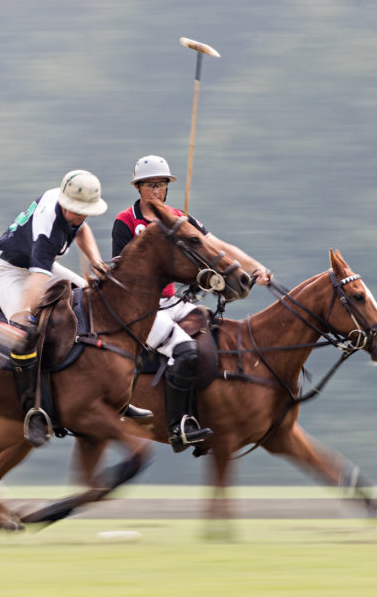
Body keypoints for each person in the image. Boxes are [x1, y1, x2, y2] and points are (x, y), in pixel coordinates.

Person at [112, 155, 271, 452]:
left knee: (214, 339)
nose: (156, 191)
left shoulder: (181, 219)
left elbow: (220, 247)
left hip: (175, 302)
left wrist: (254, 266)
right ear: (138, 188)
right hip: (141, 309)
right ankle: (178, 426)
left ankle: (212, 416)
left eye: (160, 185)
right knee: (184, 352)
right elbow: (121, 270)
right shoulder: (125, 221)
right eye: (149, 185)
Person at [0, 169, 109, 446]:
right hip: (9, 270)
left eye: (85, 211)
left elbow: (81, 229)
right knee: (26, 333)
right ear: (65, 203)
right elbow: (37, 280)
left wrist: (96, 261)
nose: (80, 216)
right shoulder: (47, 229)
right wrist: (22, 318)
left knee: (93, 299)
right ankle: (34, 412)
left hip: (38, 266)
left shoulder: (70, 206)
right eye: (76, 211)